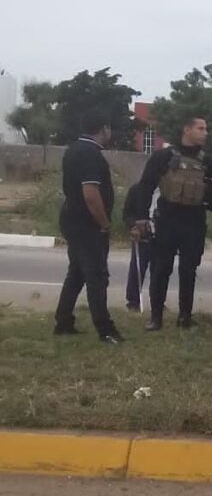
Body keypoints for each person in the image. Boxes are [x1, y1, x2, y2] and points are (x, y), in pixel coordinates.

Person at [129, 116, 212, 330]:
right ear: (187, 130)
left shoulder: (207, 161)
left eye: (206, 128)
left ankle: (185, 317)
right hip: (167, 220)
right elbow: (146, 186)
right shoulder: (163, 157)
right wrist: (141, 218)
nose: (205, 132)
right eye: (201, 128)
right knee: (161, 270)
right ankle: (156, 318)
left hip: (194, 222)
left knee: (188, 271)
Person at [53, 109, 123, 344]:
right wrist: (104, 224)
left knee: (77, 273)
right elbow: (91, 194)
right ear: (104, 128)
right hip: (87, 223)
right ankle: (105, 330)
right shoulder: (90, 154)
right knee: (96, 276)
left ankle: (63, 321)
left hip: (72, 219)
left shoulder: (74, 149)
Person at [123, 183, 153, 312]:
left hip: (161, 237)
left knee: (160, 271)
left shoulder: (166, 191)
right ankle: (133, 301)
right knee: (137, 267)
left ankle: (158, 301)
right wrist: (133, 226)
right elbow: (127, 213)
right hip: (141, 236)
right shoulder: (136, 190)